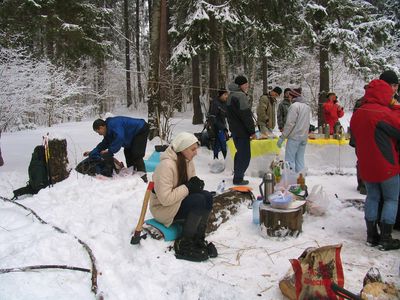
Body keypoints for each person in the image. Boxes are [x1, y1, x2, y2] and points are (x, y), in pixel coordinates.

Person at [350, 74, 400, 251]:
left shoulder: (359, 112)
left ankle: (371, 235)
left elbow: (353, 140)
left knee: (372, 197)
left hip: (366, 166)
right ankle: (386, 237)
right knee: (391, 200)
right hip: (386, 165)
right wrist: (396, 108)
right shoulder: (384, 113)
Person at [149, 132, 216, 262]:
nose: (196, 153)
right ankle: (185, 241)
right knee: (199, 200)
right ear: (182, 149)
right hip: (162, 209)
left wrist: (196, 185)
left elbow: (190, 185)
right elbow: (165, 199)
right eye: (193, 149)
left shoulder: (187, 161)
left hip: (177, 202)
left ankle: (198, 237)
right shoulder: (166, 166)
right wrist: (188, 187)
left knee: (207, 196)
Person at [84, 116, 149, 182]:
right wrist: (92, 152)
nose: (99, 134)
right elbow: (103, 144)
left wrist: (110, 151)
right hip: (131, 135)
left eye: (98, 132)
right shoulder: (108, 132)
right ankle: (132, 175)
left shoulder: (113, 124)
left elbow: (120, 138)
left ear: (101, 127)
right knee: (128, 153)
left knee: (136, 154)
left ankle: (143, 178)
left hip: (140, 129)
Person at [226, 75, 256, 185]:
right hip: (242, 131)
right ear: (240, 85)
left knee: (239, 153)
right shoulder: (241, 96)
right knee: (245, 156)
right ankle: (238, 178)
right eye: (245, 84)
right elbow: (246, 115)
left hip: (234, 130)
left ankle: (237, 174)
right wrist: (252, 131)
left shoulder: (230, 95)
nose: (247, 86)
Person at [277, 88, 311, 173]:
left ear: (293, 96)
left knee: (289, 160)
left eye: (290, 96)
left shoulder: (294, 106)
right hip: (303, 137)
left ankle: (290, 180)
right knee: (300, 160)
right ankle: (301, 180)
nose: (289, 98)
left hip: (294, 138)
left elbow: (290, 124)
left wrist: (282, 137)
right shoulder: (306, 107)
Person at [209, 88, 229, 159]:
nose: (226, 96)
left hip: (222, 126)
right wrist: (220, 128)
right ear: (221, 95)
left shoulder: (225, 103)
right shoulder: (215, 103)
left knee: (217, 144)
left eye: (227, 95)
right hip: (217, 127)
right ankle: (226, 160)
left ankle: (215, 158)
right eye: (225, 95)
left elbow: (226, 114)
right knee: (223, 144)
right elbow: (212, 117)